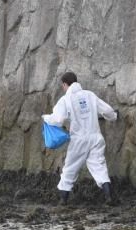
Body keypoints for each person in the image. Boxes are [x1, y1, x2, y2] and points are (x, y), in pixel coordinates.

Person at [42, 71, 118, 205]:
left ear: (65, 84)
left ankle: (63, 201)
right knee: (99, 167)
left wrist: (46, 118)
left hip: (78, 140)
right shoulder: (90, 95)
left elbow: (58, 119)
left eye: (62, 86)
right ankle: (109, 197)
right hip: (95, 138)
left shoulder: (66, 99)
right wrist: (114, 117)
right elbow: (107, 111)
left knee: (69, 170)